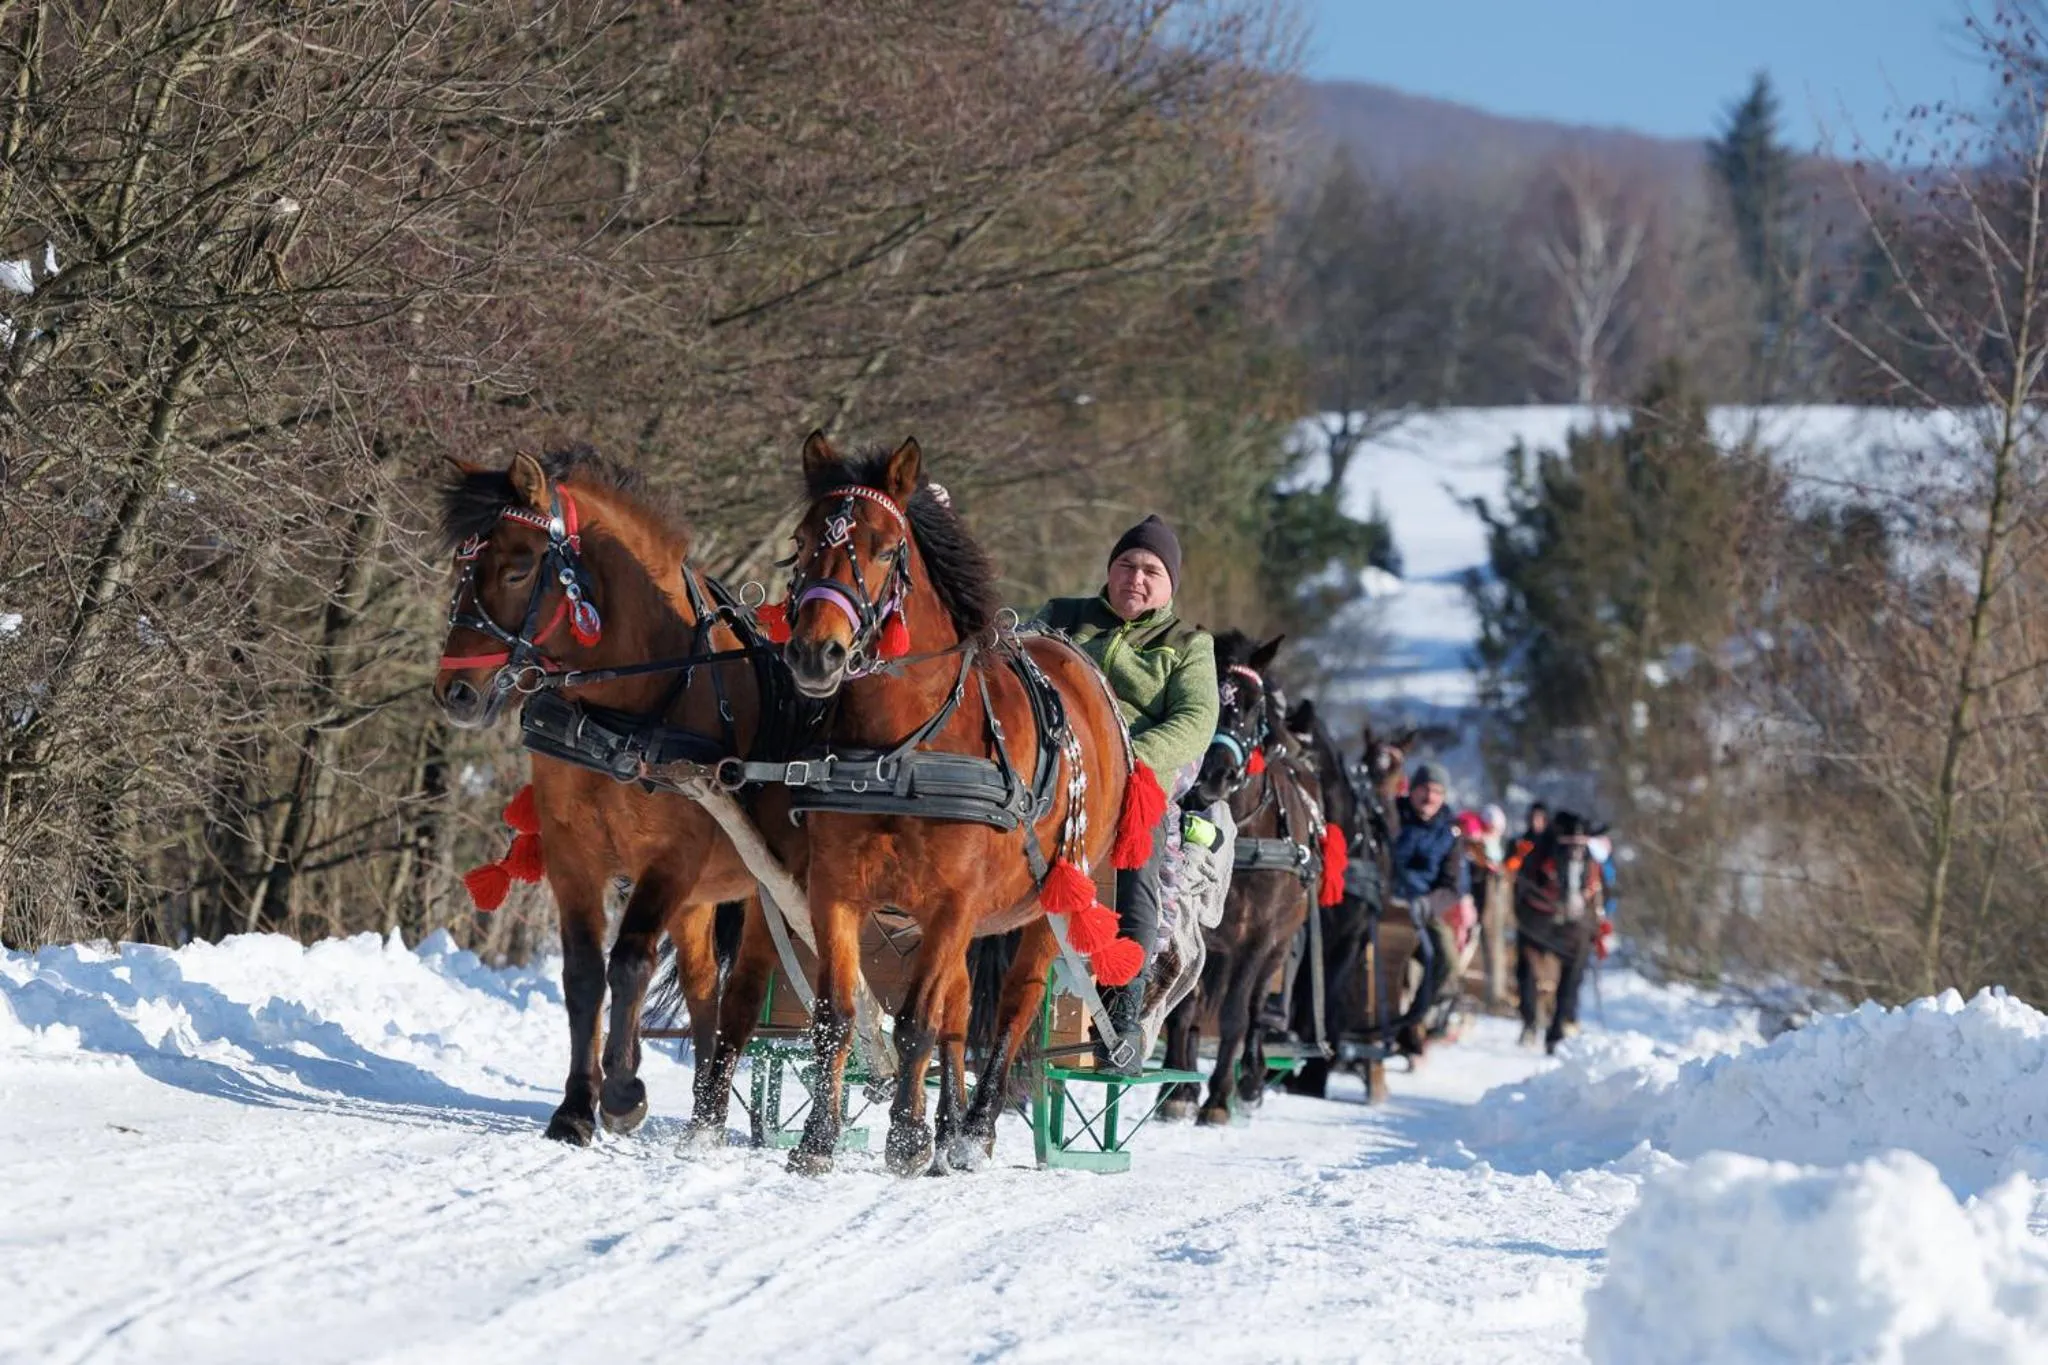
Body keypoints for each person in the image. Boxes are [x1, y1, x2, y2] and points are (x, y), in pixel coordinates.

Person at [1033, 514, 1218, 1071]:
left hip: (1132, 783)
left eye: (1152, 571)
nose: (1136, 578)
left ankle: (1120, 1019)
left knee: (1137, 883)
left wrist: (1124, 762)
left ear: (1170, 585)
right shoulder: (1062, 617)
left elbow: (1195, 718)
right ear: (1110, 571)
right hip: (1050, 768)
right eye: (1126, 565)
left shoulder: (1187, 644)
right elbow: (1017, 672)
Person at [1389, 764, 1470, 1030]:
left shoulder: (1450, 833)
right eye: (1425, 789)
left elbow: (1452, 886)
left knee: (1446, 958)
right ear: (1412, 789)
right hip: (1383, 901)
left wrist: (1427, 904)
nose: (1430, 797)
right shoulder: (1391, 815)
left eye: (1437, 792)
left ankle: (1416, 1018)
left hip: (1422, 909)